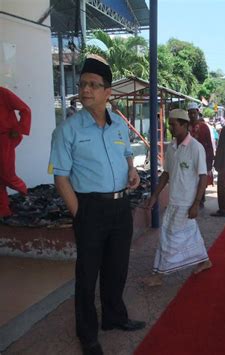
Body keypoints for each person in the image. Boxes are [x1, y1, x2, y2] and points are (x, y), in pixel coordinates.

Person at [49, 55, 145, 355]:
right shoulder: (67, 130)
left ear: (108, 93)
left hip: (120, 207)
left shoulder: (118, 125)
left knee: (117, 269)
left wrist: (131, 170)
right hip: (89, 208)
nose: (86, 89)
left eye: (93, 84)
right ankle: (88, 335)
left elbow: (128, 152)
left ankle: (114, 318)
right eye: (83, 84)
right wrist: (80, 213)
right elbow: (61, 178)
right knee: (87, 276)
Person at [142, 109, 212, 286]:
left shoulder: (196, 148)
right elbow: (166, 174)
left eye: (174, 125)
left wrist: (196, 203)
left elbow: (203, 176)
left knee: (168, 237)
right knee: (189, 235)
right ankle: (204, 261)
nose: (170, 128)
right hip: (174, 200)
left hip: (186, 202)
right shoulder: (171, 147)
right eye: (169, 125)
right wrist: (155, 195)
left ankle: (158, 275)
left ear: (185, 125)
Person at [0, 86, 31, 217]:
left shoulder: (2, 93)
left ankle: (26, 194)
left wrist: (19, 128)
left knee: (7, 174)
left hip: (4, 138)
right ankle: (3, 209)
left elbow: (25, 110)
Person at [188, 102, 214, 206]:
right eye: (190, 113)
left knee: (201, 179)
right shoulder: (186, 126)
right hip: (188, 158)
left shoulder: (204, 127)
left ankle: (200, 199)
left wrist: (210, 161)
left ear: (198, 112)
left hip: (202, 158)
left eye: (194, 113)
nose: (192, 115)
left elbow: (209, 145)